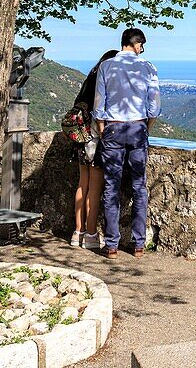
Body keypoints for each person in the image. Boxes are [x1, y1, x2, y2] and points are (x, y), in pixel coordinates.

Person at [92, 28, 160, 259]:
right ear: (137, 43)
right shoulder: (148, 67)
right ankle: (138, 244)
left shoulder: (106, 66)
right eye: (142, 45)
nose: (142, 49)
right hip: (138, 128)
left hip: (113, 127)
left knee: (111, 186)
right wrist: (146, 128)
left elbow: (99, 102)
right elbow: (154, 105)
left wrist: (102, 128)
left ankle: (111, 246)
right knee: (139, 187)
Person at [70, 49, 117, 249]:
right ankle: (90, 235)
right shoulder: (104, 79)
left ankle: (77, 232)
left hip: (81, 137)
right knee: (95, 189)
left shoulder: (90, 77)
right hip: (95, 139)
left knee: (82, 185)